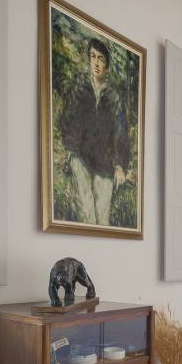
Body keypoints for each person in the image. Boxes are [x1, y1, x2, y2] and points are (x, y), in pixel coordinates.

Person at [59, 37, 131, 226]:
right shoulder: (80, 87)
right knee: (85, 208)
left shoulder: (114, 96)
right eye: (93, 57)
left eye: (101, 59)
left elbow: (121, 132)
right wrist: (71, 151)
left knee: (102, 214)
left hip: (105, 161)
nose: (96, 63)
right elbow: (68, 120)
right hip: (80, 155)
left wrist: (120, 165)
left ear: (107, 65)